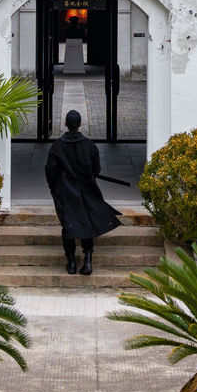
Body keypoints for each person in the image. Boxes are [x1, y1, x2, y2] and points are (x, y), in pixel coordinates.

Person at [45, 109, 121, 275]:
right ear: (80, 124)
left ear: (65, 124)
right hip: (87, 189)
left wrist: (55, 188)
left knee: (68, 224)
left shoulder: (57, 146)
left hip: (66, 191)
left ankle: (71, 262)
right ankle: (87, 260)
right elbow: (96, 168)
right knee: (87, 223)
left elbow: (51, 170)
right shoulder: (89, 145)